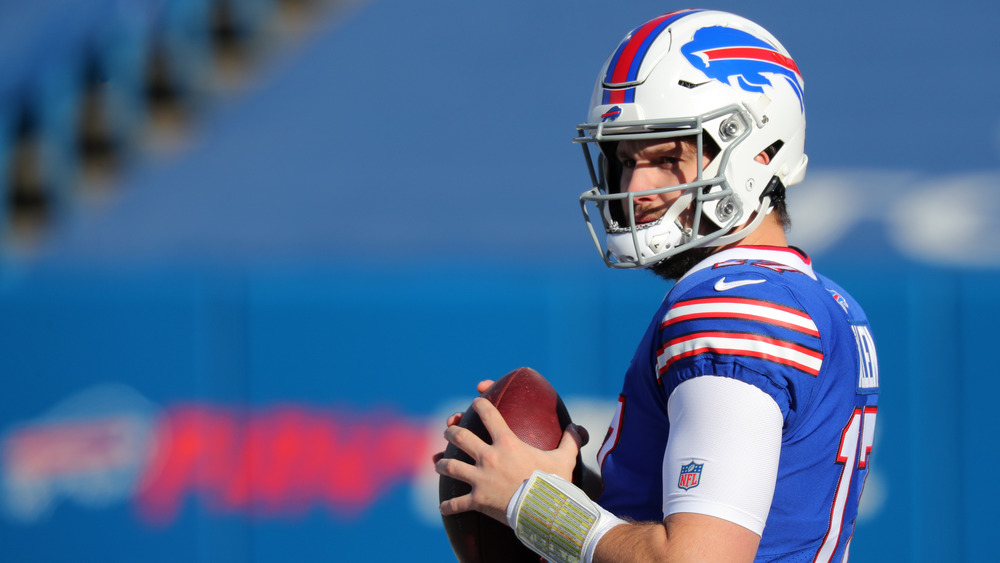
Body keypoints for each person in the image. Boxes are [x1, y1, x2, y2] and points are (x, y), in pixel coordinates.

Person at [434, 9, 880, 563]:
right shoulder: (823, 300)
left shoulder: (733, 305)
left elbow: (698, 560)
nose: (636, 188)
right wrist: (572, 490)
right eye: (626, 159)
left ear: (759, 154)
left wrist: (534, 499)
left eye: (669, 157)